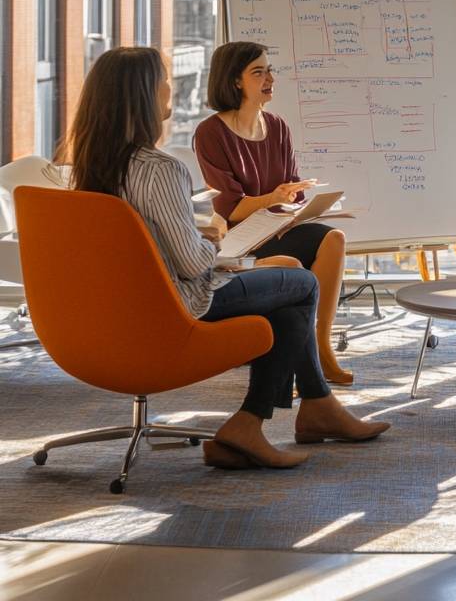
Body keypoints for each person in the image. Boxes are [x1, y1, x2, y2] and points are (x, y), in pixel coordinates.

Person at [64, 47, 389, 471]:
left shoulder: (89, 171)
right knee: (302, 284)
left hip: (118, 313)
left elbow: (138, 243)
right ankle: (272, 417)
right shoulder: (160, 169)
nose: (170, 87)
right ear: (142, 95)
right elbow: (192, 265)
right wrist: (214, 241)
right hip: (180, 305)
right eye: (163, 80)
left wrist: (195, 234)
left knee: (286, 293)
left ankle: (307, 410)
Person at [193, 42, 352, 386]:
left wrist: (299, 205)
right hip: (243, 239)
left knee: (333, 238)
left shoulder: (277, 126)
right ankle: (301, 359)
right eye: (258, 72)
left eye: (269, 70)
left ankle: (323, 348)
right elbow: (230, 208)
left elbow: (293, 188)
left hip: (279, 226)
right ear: (235, 81)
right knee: (293, 260)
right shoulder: (210, 133)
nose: (269, 78)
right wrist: (271, 198)